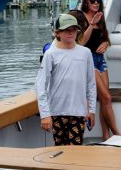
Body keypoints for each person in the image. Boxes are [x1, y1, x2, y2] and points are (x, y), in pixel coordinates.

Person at [35, 14, 97, 146]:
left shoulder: (86, 53)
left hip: (78, 112)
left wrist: (92, 110)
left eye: (74, 29)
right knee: (60, 150)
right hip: (56, 112)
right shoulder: (50, 54)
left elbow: (91, 84)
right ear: (57, 33)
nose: (71, 32)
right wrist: (45, 114)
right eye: (66, 30)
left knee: (75, 150)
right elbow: (40, 85)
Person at [73, 0, 120, 139]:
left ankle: (106, 135)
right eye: (92, 0)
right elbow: (81, 42)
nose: (96, 3)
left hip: (100, 60)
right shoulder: (80, 17)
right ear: (86, 2)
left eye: (98, 0)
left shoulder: (100, 16)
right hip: (88, 60)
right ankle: (117, 134)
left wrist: (106, 43)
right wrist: (92, 24)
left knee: (104, 99)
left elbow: (105, 37)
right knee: (107, 97)